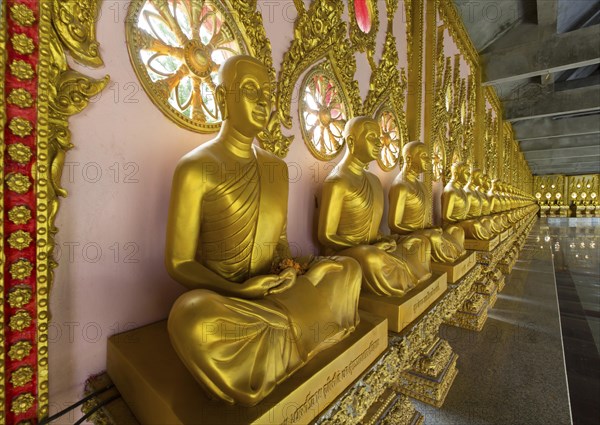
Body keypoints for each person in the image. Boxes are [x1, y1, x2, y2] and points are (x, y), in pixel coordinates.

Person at [165, 55, 361, 406]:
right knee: (191, 317)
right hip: (230, 298)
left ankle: (281, 342)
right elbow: (179, 263)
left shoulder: (277, 168)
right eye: (250, 91)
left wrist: (288, 269)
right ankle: (306, 333)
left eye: (267, 94)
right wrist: (237, 289)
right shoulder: (196, 168)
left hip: (272, 290)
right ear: (224, 99)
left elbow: (280, 241)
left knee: (345, 269)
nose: (262, 102)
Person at [318, 117, 432, 297]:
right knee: (372, 257)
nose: (379, 143)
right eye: (372, 137)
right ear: (351, 141)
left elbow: (372, 228)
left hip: (371, 246)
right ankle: (402, 281)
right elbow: (326, 236)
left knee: (418, 244)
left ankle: (410, 280)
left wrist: (380, 239)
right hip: (344, 250)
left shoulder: (374, 181)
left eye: (379, 138)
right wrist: (369, 246)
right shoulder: (338, 181)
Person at [388, 141, 465, 263]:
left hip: (421, 232)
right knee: (433, 238)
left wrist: (429, 226)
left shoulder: (422, 186)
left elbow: (424, 221)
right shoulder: (401, 186)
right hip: (404, 236)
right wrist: (421, 230)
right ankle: (449, 258)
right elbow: (394, 224)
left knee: (447, 234)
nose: (429, 160)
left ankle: (456, 256)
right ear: (409, 158)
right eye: (424, 156)